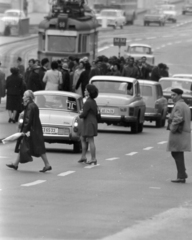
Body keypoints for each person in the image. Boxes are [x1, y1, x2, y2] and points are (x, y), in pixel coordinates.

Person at [6, 90, 52, 172]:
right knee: (30, 147)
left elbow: (28, 120)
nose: (22, 97)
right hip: (35, 130)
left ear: (27, 98)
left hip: (31, 131)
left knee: (33, 147)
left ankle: (47, 164)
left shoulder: (30, 106)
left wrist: (24, 131)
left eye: (24, 96)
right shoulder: (32, 105)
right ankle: (15, 164)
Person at [167, 88, 191, 183]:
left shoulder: (179, 105)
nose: (172, 97)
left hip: (178, 133)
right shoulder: (184, 105)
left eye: (174, 95)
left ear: (179, 95)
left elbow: (177, 118)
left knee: (177, 153)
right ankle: (182, 174)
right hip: (183, 133)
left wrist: (172, 128)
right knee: (177, 153)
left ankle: (181, 176)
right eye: (171, 95)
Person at [78, 84, 99, 165]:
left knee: (90, 140)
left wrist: (79, 114)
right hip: (91, 121)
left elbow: (84, 114)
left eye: (86, 90)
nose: (84, 91)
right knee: (83, 138)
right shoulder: (93, 101)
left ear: (89, 92)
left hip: (88, 122)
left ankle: (93, 158)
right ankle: (83, 156)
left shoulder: (88, 102)